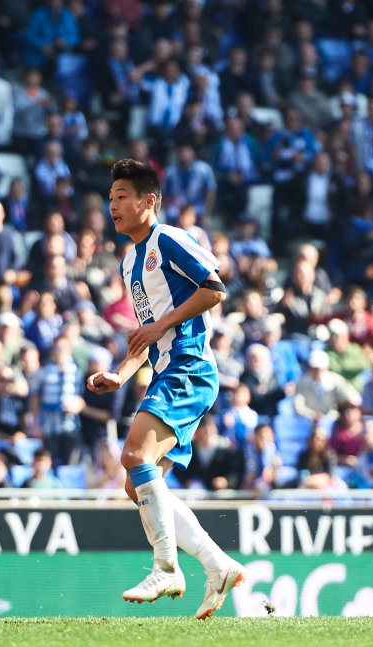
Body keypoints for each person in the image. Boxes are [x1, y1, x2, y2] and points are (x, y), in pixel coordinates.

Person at [86, 159, 243, 619]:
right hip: (166, 370)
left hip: (190, 366)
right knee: (141, 487)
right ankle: (218, 566)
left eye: (121, 197)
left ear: (147, 200)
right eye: (110, 197)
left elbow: (215, 288)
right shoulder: (130, 261)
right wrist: (120, 372)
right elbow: (144, 331)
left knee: (134, 458)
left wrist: (163, 325)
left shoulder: (169, 239)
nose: (112, 205)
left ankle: (167, 567)